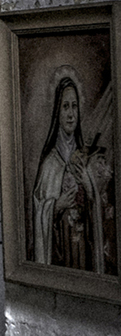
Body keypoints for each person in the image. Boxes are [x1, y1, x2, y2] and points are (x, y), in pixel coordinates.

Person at [31, 76, 107, 270]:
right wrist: (56, 206)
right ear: (57, 112)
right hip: (59, 255)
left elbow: (99, 214)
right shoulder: (50, 164)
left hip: (84, 254)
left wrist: (90, 189)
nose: (71, 114)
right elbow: (38, 209)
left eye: (74, 106)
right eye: (65, 107)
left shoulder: (86, 160)